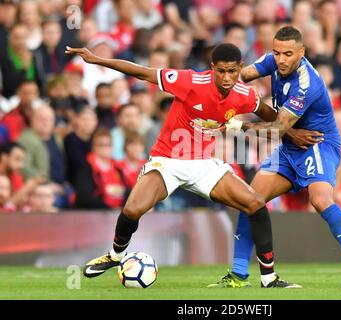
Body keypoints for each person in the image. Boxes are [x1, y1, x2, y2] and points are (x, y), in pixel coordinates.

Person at [66, 42, 308, 288]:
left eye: (232, 71)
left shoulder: (244, 95)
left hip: (203, 164)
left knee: (256, 204)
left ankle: (268, 278)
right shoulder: (190, 81)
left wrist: (292, 133)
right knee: (132, 210)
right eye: (221, 71)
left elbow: (268, 114)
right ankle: (116, 255)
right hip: (168, 161)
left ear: (240, 69)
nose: (227, 77)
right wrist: (97, 60)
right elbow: (142, 71)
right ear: (212, 68)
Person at [211, 26, 341, 288]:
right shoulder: (272, 61)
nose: (281, 59)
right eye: (277, 53)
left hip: (317, 143)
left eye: (288, 53)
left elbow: (276, 129)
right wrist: (215, 87)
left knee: (320, 200)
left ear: (301, 52)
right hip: (289, 145)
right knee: (249, 200)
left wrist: (235, 125)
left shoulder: (305, 84)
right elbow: (240, 76)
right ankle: (239, 275)